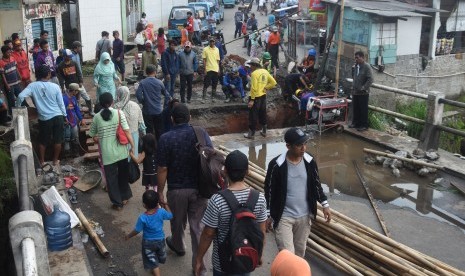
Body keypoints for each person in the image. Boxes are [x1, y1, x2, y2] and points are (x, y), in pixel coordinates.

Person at [157, 104, 212, 275]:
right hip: (200, 188)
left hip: (176, 189)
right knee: (198, 227)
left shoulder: (165, 138)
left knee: (177, 221)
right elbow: (211, 156)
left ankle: (178, 246)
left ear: (172, 119)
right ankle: (200, 268)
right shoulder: (200, 133)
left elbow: (163, 169)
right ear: (189, 117)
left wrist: (160, 191)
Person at [195, 150, 267, 276]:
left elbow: (208, 234)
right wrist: (258, 254)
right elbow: (261, 232)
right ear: (247, 171)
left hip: (223, 262)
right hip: (246, 257)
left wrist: (199, 258)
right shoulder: (259, 198)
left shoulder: (217, 199)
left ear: (225, 171)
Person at [264, 127, 332, 257]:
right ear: (288, 146)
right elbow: (269, 190)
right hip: (284, 217)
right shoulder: (277, 165)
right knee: (288, 257)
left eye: (305, 143)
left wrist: (325, 204)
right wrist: (268, 214)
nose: (304, 148)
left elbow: (316, 184)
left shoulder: (309, 161)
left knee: (300, 253)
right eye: (299, 145)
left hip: (304, 216)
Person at [89, 92, 135, 210]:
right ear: (112, 102)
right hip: (122, 152)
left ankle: (117, 203)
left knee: (111, 180)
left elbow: (93, 135)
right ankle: (124, 197)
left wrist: (101, 137)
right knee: (123, 175)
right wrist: (132, 146)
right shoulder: (119, 113)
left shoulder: (96, 117)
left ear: (100, 103)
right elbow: (127, 131)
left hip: (107, 154)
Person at [16, 65, 67, 166]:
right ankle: (55, 161)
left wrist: (18, 108)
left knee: (43, 141)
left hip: (44, 118)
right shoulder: (55, 86)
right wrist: (65, 115)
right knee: (58, 140)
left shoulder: (32, 86)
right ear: (48, 74)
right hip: (58, 116)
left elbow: (20, 96)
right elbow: (61, 104)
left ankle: (42, 161)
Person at [126, 190, 172, 276]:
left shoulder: (142, 217)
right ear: (158, 203)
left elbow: (137, 230)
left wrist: (128, 236)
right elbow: (170, 215)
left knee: (152, 260)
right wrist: (165, 205)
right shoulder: (161, 212)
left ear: (144, 205)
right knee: (158, 254)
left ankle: (155, 270)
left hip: (148, 242)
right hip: (160, 240)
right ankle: (155, 266)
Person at [244, 58, 277, 139]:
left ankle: (251, 134)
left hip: (255, 97)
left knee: (253, 115)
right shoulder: (265, 71)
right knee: (262, 113)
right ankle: (264, 131)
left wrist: (252, 100)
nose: (250, 66)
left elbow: (254, 88)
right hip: (263, 96)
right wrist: (266, 88)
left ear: (255, 65)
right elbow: (273, 82)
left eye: (251, 65)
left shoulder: (254, 74)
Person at [136, 64, 170, 140]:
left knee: (149, 131)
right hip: (158, 110)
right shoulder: (159, 82)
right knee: (159, 130)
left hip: (147, 111)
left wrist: (143, 102)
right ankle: (159, 145)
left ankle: (150, 147)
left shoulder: (142, 82)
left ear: (146, 72)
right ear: (155, 72)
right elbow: (166, 94)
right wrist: (166, 105)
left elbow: (138, 95)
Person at [114, 86, 146, 157]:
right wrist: (144, 134)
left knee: (122, 158)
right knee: (134, 155)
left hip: (120, 136)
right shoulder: (136, 105)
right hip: (134, 135)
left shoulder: (115, 107)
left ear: (118, 94)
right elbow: (141, 124)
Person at [351, 51, 373, 132]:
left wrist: (364, 87)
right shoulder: (356, 66)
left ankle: (364, 125)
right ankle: (355, 123)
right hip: (355, 91)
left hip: (363, 92)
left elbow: (370, 79)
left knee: (363, 109)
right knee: (356, 108)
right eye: (355, 58)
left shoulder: (367, 66)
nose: (356, 59)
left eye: (357, 58)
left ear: (362, 58)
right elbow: (353, 77)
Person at [71, 41, 94, 116]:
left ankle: (90, 111)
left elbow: (79, 68)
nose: (80, 48)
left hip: (79, 79)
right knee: (77, 97)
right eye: (80, 47)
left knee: (83, 96)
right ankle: (77, 112)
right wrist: (79, 80)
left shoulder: (77, 55)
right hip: (75, 80)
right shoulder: (71, 56)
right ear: (76, 47)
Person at [0, 45, 22, 114]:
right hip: (9, 85)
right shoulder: (1, 62)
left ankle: (21, 111)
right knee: (11, 100)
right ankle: (12, 114)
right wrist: (6, 85)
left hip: (17, 82)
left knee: (20, 96)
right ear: (3, 53)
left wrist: (19, 76)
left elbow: (16, 68)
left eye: (10, 52)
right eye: (7, 53)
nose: (9, 54)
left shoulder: (12, 58)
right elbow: (2, 74)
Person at [63, 83, 84, 154]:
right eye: (77, 91)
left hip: (73, 121)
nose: (78, 92)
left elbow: (76, 109)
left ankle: (75, 153)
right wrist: (65, 118)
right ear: (74, 91)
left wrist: (81, 119)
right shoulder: (64, 99)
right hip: (66, 122)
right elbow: (61, 111)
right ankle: (67, 155)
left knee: (75, 138)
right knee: (67, 139)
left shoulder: (74, 98)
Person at [201, 37, 220, 103]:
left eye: (213, 41)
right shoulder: (205, 49)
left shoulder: (217, 49)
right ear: (209, 42)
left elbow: (218, 60)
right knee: (206, 83)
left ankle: (213, 97)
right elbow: (204, 60)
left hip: (215, 69)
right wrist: (205, 69)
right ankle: (203, 98)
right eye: (211, 41)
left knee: (215, 83)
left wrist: (218, 68)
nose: (212, 43)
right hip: (208, 69)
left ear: (215, 42)